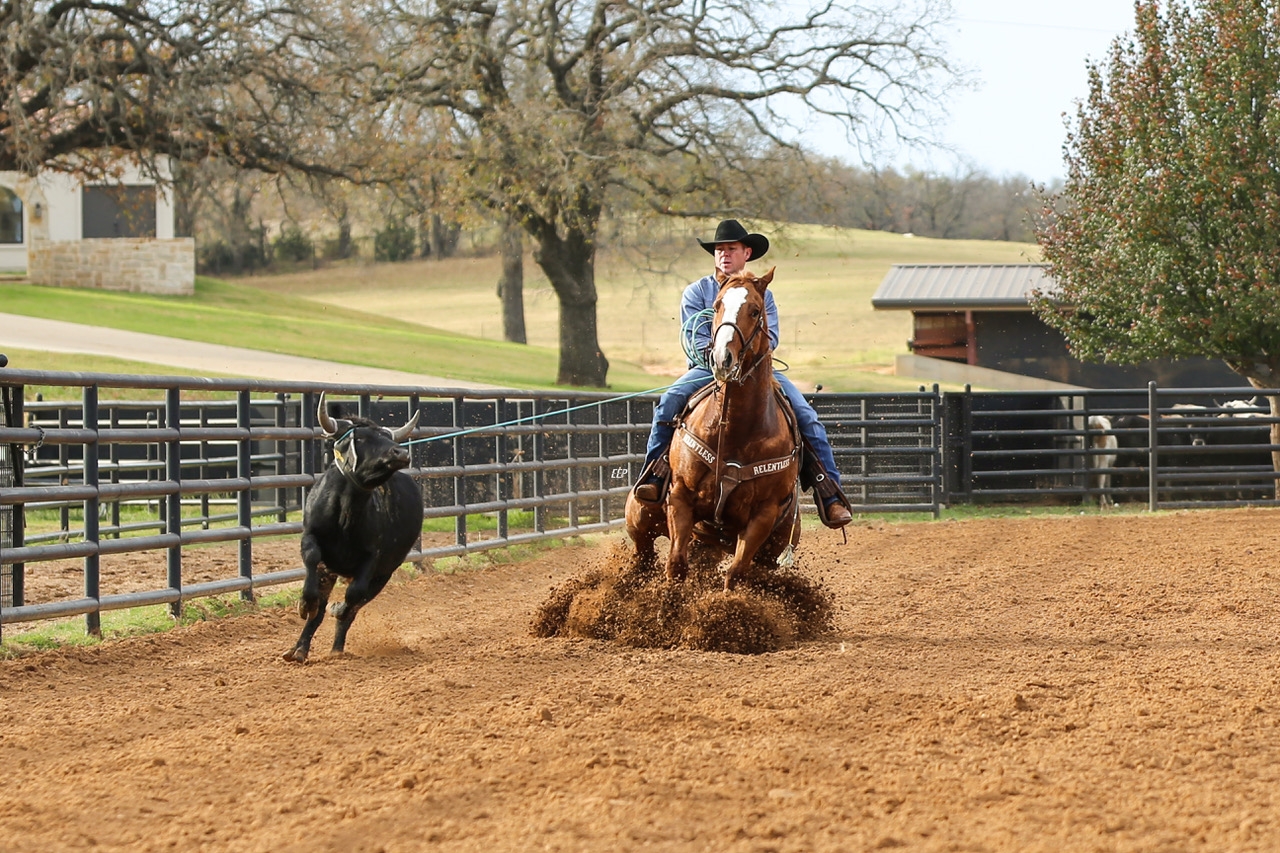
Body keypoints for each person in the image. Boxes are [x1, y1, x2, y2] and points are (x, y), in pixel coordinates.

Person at [633, 219, 853, 528]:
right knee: (670, 401)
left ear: (746, 253)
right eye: (719, 249)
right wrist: (718, 356)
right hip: (708, 369)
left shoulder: (762, 293)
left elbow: (771, 338)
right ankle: (655, 474)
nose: (724, 254)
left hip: (755, 372)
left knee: (806, 416)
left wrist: (744, 358)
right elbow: (693, 335)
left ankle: (828, 492)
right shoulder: (697, 292)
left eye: (731, 248)